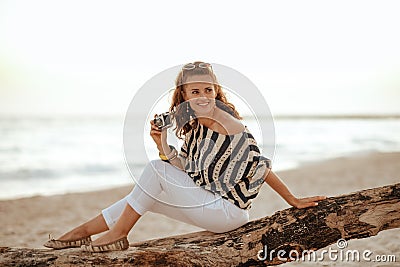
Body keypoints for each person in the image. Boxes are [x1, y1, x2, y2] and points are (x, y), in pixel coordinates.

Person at [44, 61, 326, 252]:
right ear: (184, 94)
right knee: (147, 192)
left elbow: (260, 166)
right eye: (195, 91)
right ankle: (79, 234)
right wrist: (161, 142)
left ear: (216, 91)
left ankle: (117, 235)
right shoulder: (193, 127)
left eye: (208, 89)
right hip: (207, 201)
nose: (203, 96)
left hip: (228, 212)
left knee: (154, 172)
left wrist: (292, 199)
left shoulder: (227, 123)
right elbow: (182, 170)